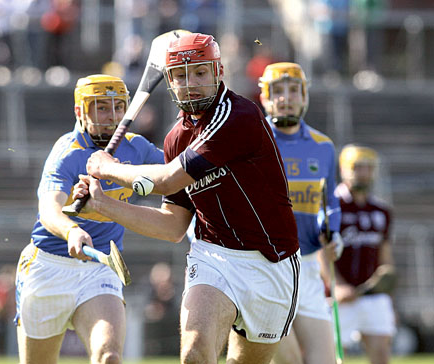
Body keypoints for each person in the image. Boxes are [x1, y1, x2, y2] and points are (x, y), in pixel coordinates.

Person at [73, 32, 301, 364]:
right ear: (168, 80)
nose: (189, 83)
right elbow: (172, 226)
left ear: (219, 72)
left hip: (271, 260)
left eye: (199, 72)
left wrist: (109, 168)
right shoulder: (176, 139)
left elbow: (167, 181)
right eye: (180, 75)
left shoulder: (237, 117)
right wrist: (103, 204)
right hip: (214, 257)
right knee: (194, 354)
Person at [14, 74, 164, 364]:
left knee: (109, 356)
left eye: (118, 107)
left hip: (99, 267)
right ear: (81, 111)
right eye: (102, 108)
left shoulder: (137, 147)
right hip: (48, 267)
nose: (113, 116)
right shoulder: (67, 154)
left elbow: (174, 173)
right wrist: (71, 230)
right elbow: (48, 210)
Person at [257, 62, 343, 364]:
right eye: (277, 91)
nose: (286, 97)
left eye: (294, 90)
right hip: (263, 267)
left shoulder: (323, 146)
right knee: (289, 361)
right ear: (265, 97)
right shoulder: (252, 141)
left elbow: (329, 200)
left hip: (306, 268)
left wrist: (332, 228)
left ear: (305, 96)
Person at [334, 144, 396, 364]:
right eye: (358, 167)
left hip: (372, 296)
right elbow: (322, 252)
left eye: (368, 168)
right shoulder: (332, 206)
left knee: (381, 354)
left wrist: (387, 290)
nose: (363, 173)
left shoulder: (382, 211)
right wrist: (338, 285)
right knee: (329, 356)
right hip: (337, 296)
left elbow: (385, 255)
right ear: (344, 169)